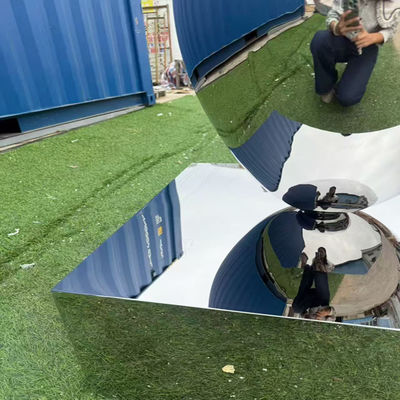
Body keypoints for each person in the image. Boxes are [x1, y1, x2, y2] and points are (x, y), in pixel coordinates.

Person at [310, 0, 400, 106]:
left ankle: (344, 85)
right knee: (320, 40)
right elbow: (332, 15)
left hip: (367, 46)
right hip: (343, 38)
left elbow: (392, 29)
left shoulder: (394, 3)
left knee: (348, 98)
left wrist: (375, 37)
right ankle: (326, 85)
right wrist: (336, 28)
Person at [292, 253, 336, 321]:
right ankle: (319, 261)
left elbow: (302, 314)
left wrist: (305, 315)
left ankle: (305, 266)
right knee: (320, 280)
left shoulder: (307, 325)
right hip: (323, 301)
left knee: (296, 308)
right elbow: (333, 314)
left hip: (310, 302)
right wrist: (327, 312)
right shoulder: (327, 323)